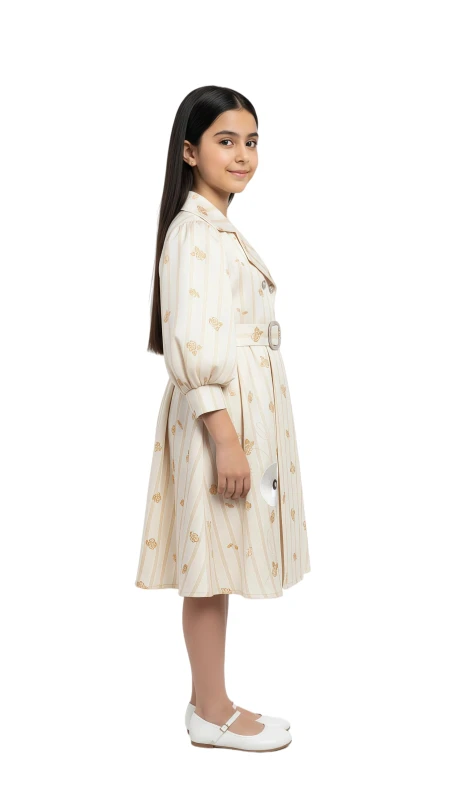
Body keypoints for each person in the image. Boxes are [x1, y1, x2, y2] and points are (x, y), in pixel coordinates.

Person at [134, 85, 311, 752]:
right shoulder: (194, 233)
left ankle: (208, 700)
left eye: (251, 142)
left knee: (220, 554)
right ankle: (211, 712)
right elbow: (191, 340)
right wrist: (225, 438)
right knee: (209, 563)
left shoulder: (216, 228)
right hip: (221, 416)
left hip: (236, 410)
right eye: (225, 141)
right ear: (190, 151)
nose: (242, 155)